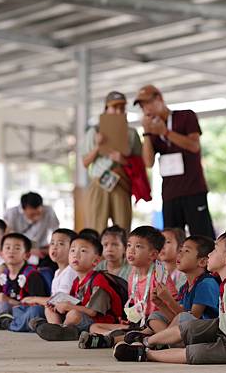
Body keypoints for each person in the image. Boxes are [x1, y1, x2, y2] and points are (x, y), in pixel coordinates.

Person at [113, 230, 226, 369]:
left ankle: (145, 353)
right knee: (190, 327)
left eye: (215, 250)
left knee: (195, 353)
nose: (210, 254)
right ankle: (147, 340)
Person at [78, 226, 178, 349]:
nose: (131, 250)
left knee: (153, 323)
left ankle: (111, 340)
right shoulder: (132, 276)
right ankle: (127, 338)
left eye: (138, 246)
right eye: (129, 245)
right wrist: (131, 317)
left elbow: (174, 309)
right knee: (94, 327)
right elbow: (136, 303)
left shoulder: (160, 274)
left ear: (153, 254)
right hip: (139, 324)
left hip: (158, 323)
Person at [137, 84, 215, 238]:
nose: (146, 108)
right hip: (170, 193)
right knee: (171, 240)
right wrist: (146, 133)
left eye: (148, 102)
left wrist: (165, 132)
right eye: (142, 105)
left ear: (160, 98)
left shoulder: (186, 116)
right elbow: (148, 162)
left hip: (193, 189)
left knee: (202, 238)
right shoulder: (151, 130)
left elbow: (194, 146)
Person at [32, 234, 124, 341]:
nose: (76, 255)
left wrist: (68, 306)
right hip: (81, 318)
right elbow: (75, 302)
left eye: (83, 251)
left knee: (73, 314)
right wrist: (58, 306)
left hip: (100, 321)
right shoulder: (76, 281)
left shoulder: (99, 280)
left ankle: (62, 331)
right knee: (50, 309)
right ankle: (57, 329)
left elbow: (93, 312)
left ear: (96, 261)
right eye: (72, 250)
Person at [126, 235, 219, 339]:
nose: (180, 254)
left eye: (187, 251)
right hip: (184, 331)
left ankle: (154, 339)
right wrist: (161, 304)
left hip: (204, 334)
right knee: (156, 316)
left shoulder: (206, 283)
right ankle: (163, 340)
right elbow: (175, 317)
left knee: (184, 317)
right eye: (180, 250)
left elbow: (191, 319)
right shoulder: (185, 287)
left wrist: (169, 300)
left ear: (202, 262)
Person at [82, 91, 142, 232]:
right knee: (95, 229)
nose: (118, 111)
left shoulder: (131, 133)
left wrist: (123, 160)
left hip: (121, 181)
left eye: (122, 108)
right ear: (106, 109)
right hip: (99, 182)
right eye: (114, 107)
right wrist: (97, 146)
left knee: (123, 229)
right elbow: (85, 163)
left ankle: (122, 254)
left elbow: (140, 163)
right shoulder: (94, 132)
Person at [0, 233, 48, 330]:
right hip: (5, 309)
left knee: (34, 311)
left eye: (17, 248)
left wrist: (8, 300)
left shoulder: (32, 275)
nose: (11, 251)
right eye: (8, 248)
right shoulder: (4, 273)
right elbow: (1, 296)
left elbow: (37, 303)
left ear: (27, 255)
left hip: (20, 309)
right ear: (1, 254)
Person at [15, 228, 79, 332]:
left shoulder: (71, 271)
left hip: (70, 311)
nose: (54, 247)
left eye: (61, 244)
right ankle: (54, 328)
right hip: (60, 310)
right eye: (52, 243)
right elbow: (53, 301)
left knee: (42, 309)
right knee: (21, 309)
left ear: (72, 250)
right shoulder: (57, 272)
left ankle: (58, 330)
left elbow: (59, 300)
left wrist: (35, 299)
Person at [3, 191, 59, 266]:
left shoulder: (48, 211)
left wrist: (52, 245)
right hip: (20, 252)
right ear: (23, 209)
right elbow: (7, 236)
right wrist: (30, 251)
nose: (36, 217)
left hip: (42, 250)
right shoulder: (12, 214)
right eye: (32, 214)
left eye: (39, 213)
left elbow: (56, 231)